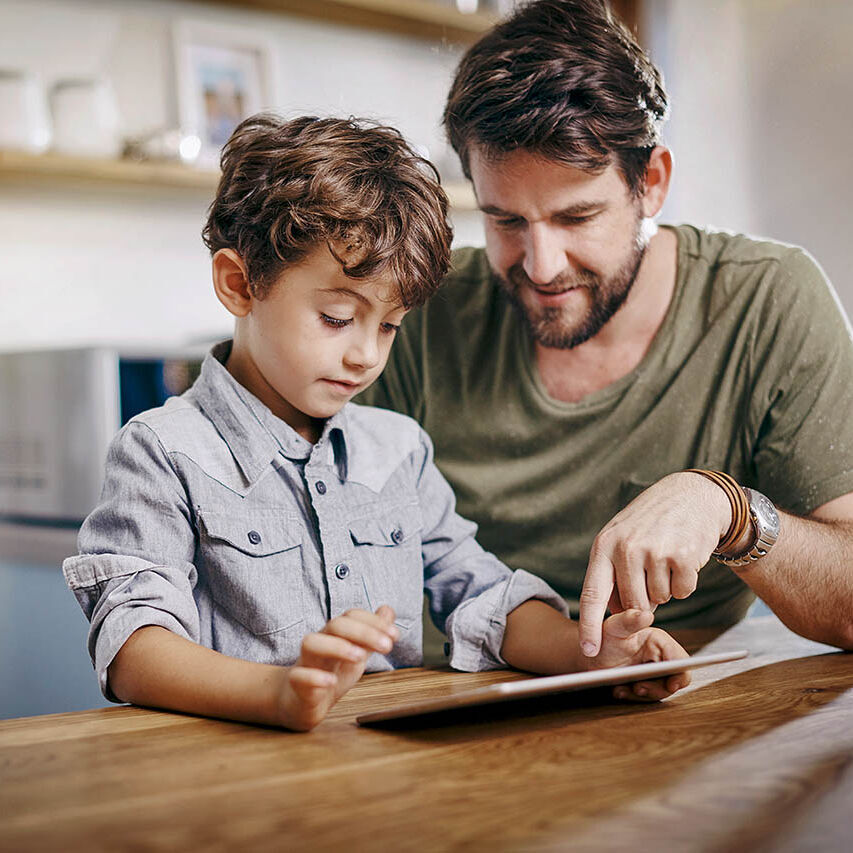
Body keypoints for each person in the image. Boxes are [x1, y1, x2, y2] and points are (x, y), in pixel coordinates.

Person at [63, 114, 691, 732]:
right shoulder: (163, 452)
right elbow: (132, 645)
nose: (366, 353)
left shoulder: (398, 450)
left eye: (388, 326)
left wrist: (593, 656)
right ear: (238, 284)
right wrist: (276, 693)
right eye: (337, 318)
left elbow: (477, 592)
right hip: (234, 783)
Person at [359, 0, 853, 659]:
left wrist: (730, 512)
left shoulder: (767, 300)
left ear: (650, 183)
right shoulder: (424, 309)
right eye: (505, 221)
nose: (538, 266)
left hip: (665, 708)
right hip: (441, 695)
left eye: (575, 217)